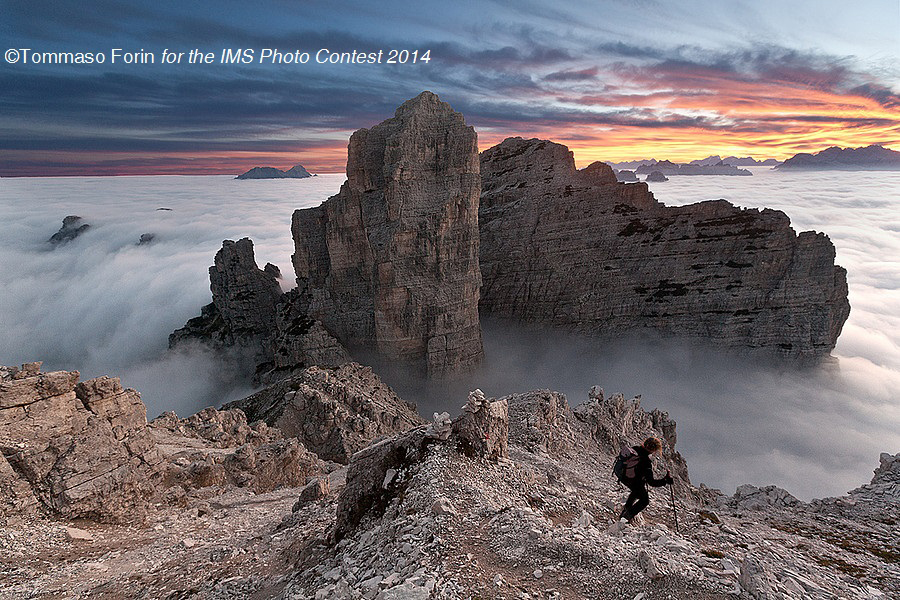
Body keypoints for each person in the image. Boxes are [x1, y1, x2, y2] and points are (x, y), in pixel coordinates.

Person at [619, 436, 673, 523]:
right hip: (634, 481)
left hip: (624, 477)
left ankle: (626, 510)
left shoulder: (635, 449)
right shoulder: (646, 462)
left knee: (637, 491)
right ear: (653, 450)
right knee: (644, 500)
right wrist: (665, 481)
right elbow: (652, 482)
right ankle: (626, 517)